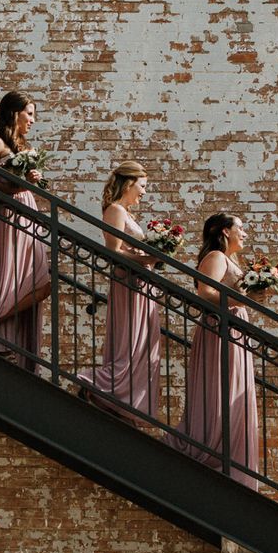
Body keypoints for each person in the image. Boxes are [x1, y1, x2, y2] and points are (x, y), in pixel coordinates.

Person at [165, 213, 260, 491]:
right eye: (240, 228)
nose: (244, 233)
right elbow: (204, 292)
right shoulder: (216, 257)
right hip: (220, 330)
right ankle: (209, 450)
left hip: (233, 330)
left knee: (235, 394)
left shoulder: (231, 261)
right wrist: (241, 298)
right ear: (224, 231)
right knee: (221, 391)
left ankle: (231, 461)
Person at [77, 161, 161, 422]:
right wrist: (147, 259)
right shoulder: (115, 210)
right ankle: (96, 384)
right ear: (129, 183)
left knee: (140, 347)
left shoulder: (127, 213)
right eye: (142, 186)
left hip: (139, 283)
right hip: (127, 281)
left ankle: (121, 402)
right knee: (129, 343)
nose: (144, 193)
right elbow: (113, 251)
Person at [0, 91, 50, 373]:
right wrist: (17, 183)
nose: (32, 120)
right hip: (10, 212)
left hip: (27, 211)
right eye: (29, 113)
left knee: (39, 282)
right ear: (14, 113)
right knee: (29, 280)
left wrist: (31, 180)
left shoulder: (22, 147)